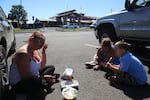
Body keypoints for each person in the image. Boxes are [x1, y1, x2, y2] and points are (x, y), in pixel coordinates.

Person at [9, 31, 59, 99]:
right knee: (41, 84)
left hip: (34, 76)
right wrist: (43, 77)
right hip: (20, 83)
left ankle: (44, 84)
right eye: (40, 43)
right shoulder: (23, 54)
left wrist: (43, 52)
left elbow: (42, 66)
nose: (41, 46)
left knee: (51, 68)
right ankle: (42, 87)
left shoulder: (34, 49)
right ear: (32, 39)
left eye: (43, 44)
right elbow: (25, 77)